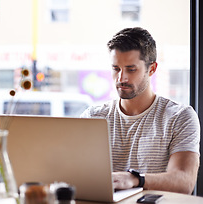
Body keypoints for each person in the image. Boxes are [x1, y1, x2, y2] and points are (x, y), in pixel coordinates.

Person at [81, 27, 200, 194]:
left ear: (151, 69)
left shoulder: (179, 117)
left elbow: (184, 182)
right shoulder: (93, 117)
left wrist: (135, 179)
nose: (121, 78)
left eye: (131, 69)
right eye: (116, 69)